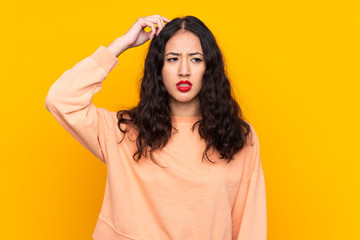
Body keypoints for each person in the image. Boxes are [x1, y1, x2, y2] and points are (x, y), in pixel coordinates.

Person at [45, 15, 267, 240]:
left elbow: (250, 226)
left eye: (196, 59)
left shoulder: (237, 137)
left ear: (209, 67)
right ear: (158, 68)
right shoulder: (124, 132)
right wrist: (122, 43)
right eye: (172, 59)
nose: (184, 70)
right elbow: (61, 99)